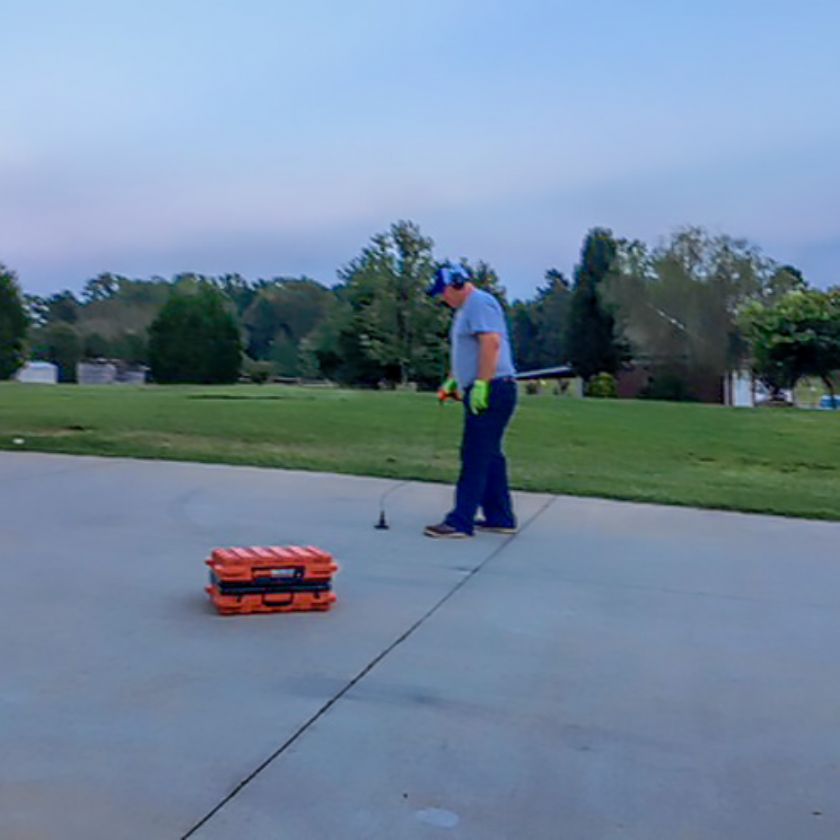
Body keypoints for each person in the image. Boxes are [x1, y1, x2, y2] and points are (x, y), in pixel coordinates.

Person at [424, 265, 518, 538]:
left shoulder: (480, 303)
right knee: (489, 454)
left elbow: (491, 344)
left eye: (443, 292)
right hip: (486, 387)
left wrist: (481, 384)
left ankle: (460, 521)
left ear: (457, 284)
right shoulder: (465, 310)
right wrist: (454, 379)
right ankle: (500, 516)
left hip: (494, 388)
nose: (442, 298)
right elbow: (467, 350)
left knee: (475, 453)